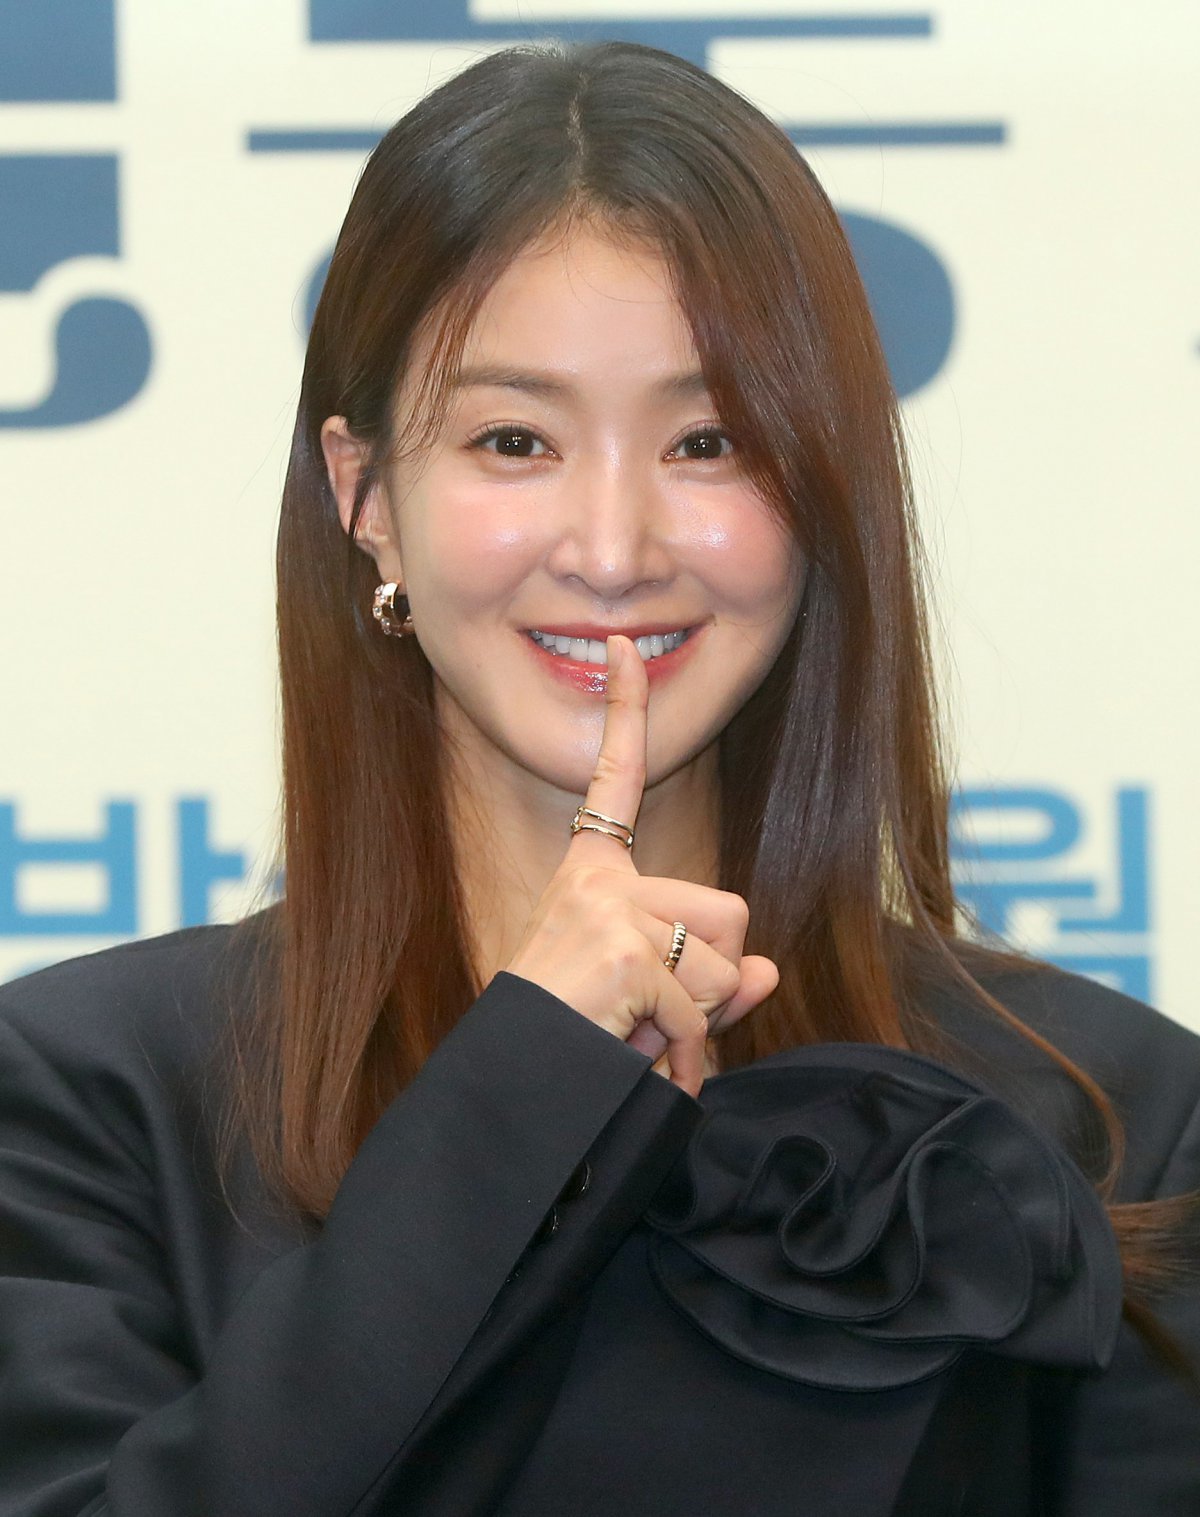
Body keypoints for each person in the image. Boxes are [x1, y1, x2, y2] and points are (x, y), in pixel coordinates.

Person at [0, 37, 1197, 1517]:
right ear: (365, 497)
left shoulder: (1116, 1115)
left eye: (709, 441)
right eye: (515, 440)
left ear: (823, 492)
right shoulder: (90, 1101)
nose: (616, 548)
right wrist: (521, 1081)